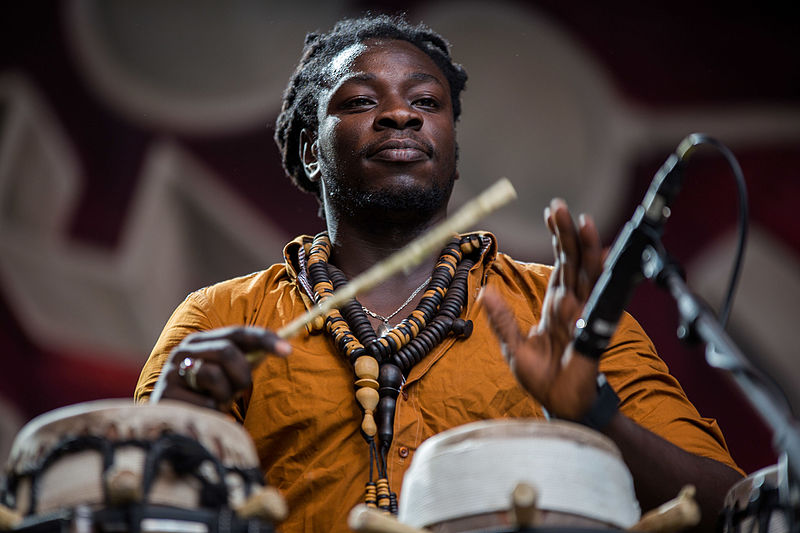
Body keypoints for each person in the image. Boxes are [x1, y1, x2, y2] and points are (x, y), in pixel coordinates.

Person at [135, 14, 743, 533]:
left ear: (453, 148)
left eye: (426, 102)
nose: (400, 115)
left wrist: (595, 415)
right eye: (360, 101)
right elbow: (120, 511)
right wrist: (175, 426)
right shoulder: (217, 322)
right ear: (309, 152)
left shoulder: (565, 316)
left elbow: (731, 509)